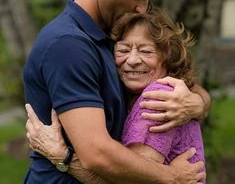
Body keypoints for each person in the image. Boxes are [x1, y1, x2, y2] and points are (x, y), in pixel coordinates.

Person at [23, 0, 210, 183]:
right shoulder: (69, 44)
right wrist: (171, 177)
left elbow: (176, 82)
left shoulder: (115, 36)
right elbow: (97, 154)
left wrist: (197, 103)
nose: (143, 9)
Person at [26, 10, 206, 184]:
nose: (133, 60)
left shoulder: (159, 99)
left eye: (146, 51)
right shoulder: (138, 92)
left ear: (169, 58)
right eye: (123, 50)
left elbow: (133, 181)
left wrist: (61, 157)